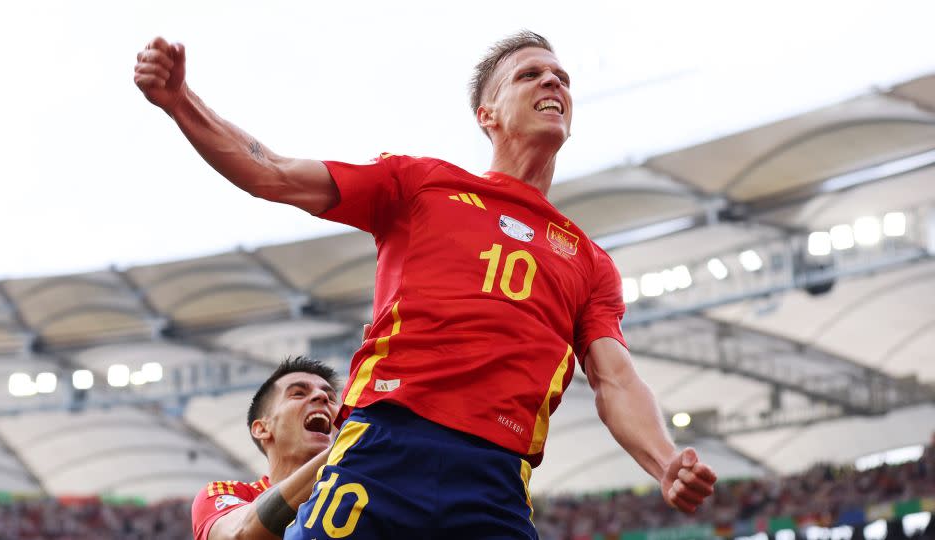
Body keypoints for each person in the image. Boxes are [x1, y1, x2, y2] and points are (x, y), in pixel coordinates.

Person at [136, 31, 718, 539]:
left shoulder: (589, 262)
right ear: (487, 112)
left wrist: (664, 461)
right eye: (531, 74)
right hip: (383, 450)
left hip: (493, 481)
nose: (554, 83)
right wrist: (182, 102)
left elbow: (615, 379)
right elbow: (276, 175)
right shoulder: (419, 185)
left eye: (562, 77)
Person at [190, 356, 340, 540]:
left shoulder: (361, 494)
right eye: (298, 393)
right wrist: (344, 449)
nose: (322, 396)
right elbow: (241, 534)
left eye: (332, 398)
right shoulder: (223, 493)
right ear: (261, 429)